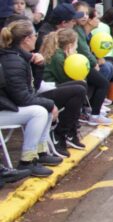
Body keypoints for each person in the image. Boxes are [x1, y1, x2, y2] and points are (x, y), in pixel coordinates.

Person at [0, 19, 85, 167]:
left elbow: (33, 88)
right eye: (34, 35)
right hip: (7, 108)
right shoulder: (13, 61)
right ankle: (28, 160)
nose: (36, 37)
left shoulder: (21, 57)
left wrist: (39, 67)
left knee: (73, 90)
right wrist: (50, 104)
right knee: (40, 111)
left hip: (13, 104)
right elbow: (22, 98)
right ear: (26, 39)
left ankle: (41, 152)